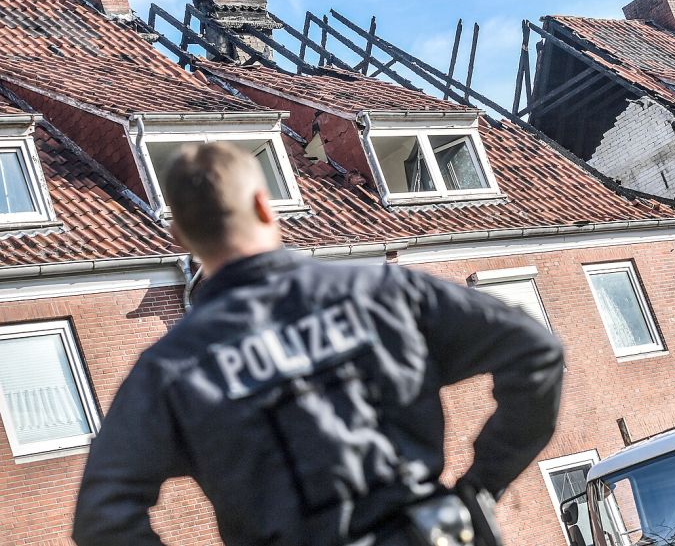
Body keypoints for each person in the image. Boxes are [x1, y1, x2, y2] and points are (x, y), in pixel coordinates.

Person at [72, 142, 565, 546]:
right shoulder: (383, 294)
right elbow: (535, 351)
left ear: (180, 236)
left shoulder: (169, 369)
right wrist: (481, 486)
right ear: (264, 205)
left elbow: (102, 516)